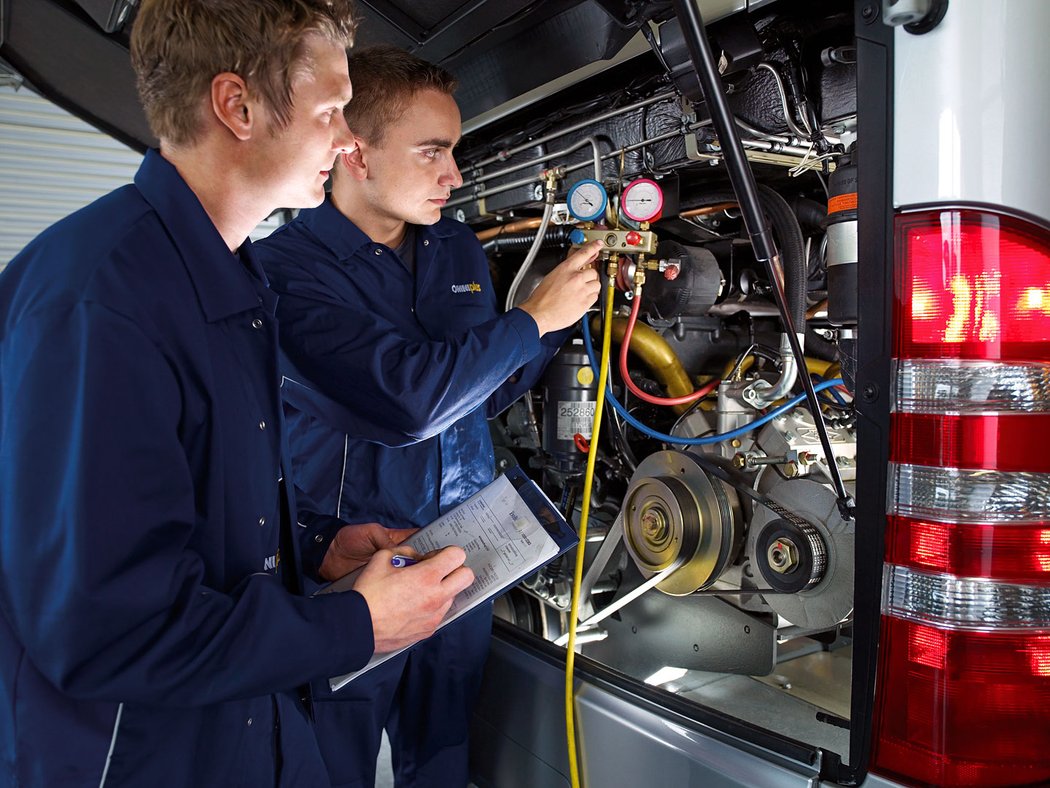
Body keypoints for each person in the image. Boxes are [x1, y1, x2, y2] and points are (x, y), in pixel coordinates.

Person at [0, 4, 474, 786]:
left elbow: (193, 508)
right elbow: (109, 630)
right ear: (237, 106)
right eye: (330, 111)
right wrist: (353, 624)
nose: (347, 140)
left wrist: (314, 546)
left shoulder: (224, 273)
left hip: (245, 730)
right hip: (142, 759)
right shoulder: (104, 300)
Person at [253, 44, 602, 788]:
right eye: (433, 152)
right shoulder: (286, 272)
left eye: (456, 151)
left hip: (465, 558)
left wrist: (567, 329)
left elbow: (478, 396)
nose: (456, 175)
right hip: (354, 567)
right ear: (355, 153)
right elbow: (405, 403)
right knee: (327, 765)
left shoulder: (454, 248)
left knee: (441, 758)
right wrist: (532, 322)